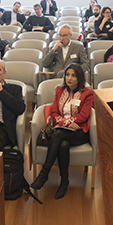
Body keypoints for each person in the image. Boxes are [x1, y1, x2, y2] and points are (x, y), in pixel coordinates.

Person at [31, 63, 94, 199]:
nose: (69, 78)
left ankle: (44, 174)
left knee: (58, 134)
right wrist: (65, 123)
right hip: (62, 128)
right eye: (67, 75)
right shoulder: (59, 90)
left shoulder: (87, 93)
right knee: (63, 144)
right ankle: (64, 182)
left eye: (73, 75)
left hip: (79, 131)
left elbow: (84, 115)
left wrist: (70, 123)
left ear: (79, 78)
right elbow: (54, 112)